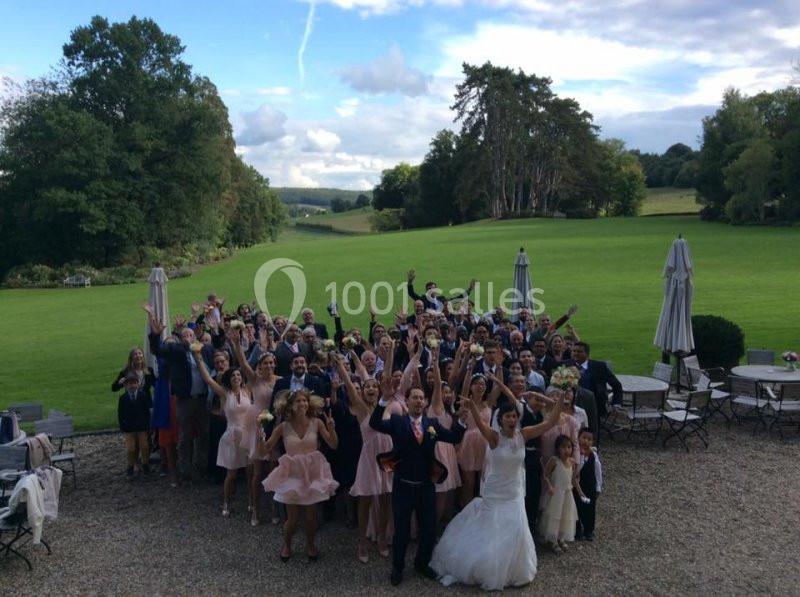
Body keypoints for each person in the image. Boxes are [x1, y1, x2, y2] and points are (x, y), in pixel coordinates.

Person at [430, 393, 564, 590]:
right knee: (492, 527)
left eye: (514, 416)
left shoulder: (524, 434)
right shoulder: (494, 437)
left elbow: (550, 422)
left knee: (516, 527)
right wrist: (472, 407)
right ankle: (488, 566)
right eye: (507, 416)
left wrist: (561, 397)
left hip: (514, 490)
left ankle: (514, 569)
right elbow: (479, 423)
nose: (511, 419)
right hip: (495, 490)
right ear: (500, 419)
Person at [369, 384, 467, 586]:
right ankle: (398, 568)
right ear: (407, 401)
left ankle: (421, 564)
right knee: (402, 531)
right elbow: (375, 423)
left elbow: (454, 437)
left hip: (425, 486)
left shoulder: (432, 424)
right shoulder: (397, 421)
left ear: (426, 402)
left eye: (422, 398)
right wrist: (383, 400)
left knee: (429, 529)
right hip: (403, 486)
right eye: (414, 397)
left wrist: (462, 421)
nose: (419, 401)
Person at [262, 389, 339, 562]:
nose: (302, 404)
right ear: (290, 405)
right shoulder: (283, 427)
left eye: (305, 400)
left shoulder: (317, 422)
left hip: (312, 474)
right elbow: (265, 449)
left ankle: (310, 545)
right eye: (298, 401)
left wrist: (332, 429)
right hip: (292, 474)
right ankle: (287, 544)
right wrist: (260, 436)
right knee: (293, 519)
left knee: (311, 517)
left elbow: (333, 444)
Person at [145, 304, 216, 483]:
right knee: (185, 437)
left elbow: (218, 355)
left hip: (203, 399)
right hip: (185, 400)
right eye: (184, 336)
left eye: (190, 335)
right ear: (180, 339)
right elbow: (158, 350)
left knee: (204, 434)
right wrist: (155, 335)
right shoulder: (176, 351)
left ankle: (202, 468)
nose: (188, 338)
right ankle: (185, 471)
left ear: (195, 336)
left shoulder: (205, 350)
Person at [335, 355, 392, 563]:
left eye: (374, 387)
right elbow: (349, 385)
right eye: (367, 386)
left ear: (379, 390)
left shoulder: (386, 406)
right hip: (368, 458)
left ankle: (382, 538)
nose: (371, 389)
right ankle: (362, 542)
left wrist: (391, 350)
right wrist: (340, 364)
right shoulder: (360, 408)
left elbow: (388, 373)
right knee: (365, 501)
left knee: (386, 498)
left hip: (388, 457)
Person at [191, 343, 252, 518]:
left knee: (250, 473)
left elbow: (245, 364)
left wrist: (237, 344)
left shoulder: (248, 391)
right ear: (229, 379)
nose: (237, 377)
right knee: (231, 474)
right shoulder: (225, 394)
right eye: (233, 376)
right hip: (232, 435)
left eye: (238, 375)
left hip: (248, 435)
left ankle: (251, 501)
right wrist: (199, 358)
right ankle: (226, 501)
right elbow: (208, 379)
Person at [231, 333, 279, 526]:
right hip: (258, 425)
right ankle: (256, 509)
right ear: (260, 366)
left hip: (274, 425)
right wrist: (236, 343)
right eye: (265, 363)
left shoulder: (280, 380)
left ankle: (275, 508)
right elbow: (243, 363)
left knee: (274, 469)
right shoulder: (255, 379)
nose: (268, 366)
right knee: (258, 472)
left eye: (271, 363)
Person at [538, 434, 589, 553]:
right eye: (563, 447)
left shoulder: (571, 462)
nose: (567, 450)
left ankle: (561, 538)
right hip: (556, 495)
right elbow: (545, 475)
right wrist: (549, 486)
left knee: (565, 516)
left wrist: (581, 493)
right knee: (554, 517)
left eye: (569, 447)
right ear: (558, 449)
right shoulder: (554, 461)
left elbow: (573, 480)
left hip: (567, 494)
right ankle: (553, 540)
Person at [569, 341, 623, 418]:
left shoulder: (599, 366)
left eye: (579, 352)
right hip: (571, 406)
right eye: (574, 351)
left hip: (596, 406)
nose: (576, 353)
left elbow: (616, 385)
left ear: (587, 354)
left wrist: (616, 404)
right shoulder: (566, 366)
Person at [117, 373, 153, 478]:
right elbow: (120, 413)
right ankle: (130, 466)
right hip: (129, 428)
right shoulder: (123, 398)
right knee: (130, 449)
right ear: (125, 385)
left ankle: (145, 464)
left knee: (144, 446)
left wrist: (148, 425)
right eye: (129, 384)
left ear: (138, 384)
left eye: (134, 383)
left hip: (142, 427)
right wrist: (122, 426)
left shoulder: (143, 396)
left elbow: (147, 412)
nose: (132, 386)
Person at [574, 427, 602, 541]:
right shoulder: (575, 454)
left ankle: (589, 530)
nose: (586, 441)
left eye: (589, 439)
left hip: (590, 486)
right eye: (584, 438)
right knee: (576, 507)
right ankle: (577, 530)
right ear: (578, 438)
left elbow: (598, 471)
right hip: (577, 486)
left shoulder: (593, 455)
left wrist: (598, 487)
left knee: (590, 509)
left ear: (592, 442)